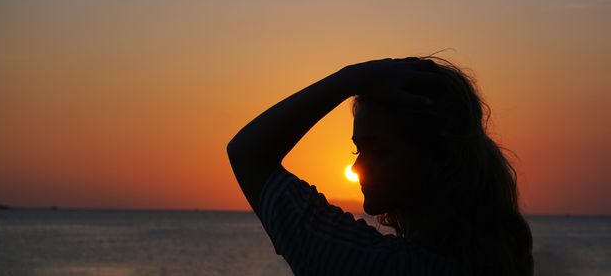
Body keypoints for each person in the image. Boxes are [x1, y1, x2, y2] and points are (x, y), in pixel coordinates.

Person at [227, 56, 534, 275]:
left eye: (379, 151)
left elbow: (248, 153)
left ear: (437, 159)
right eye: (357, 150)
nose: (359, 167)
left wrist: (350, 79)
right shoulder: (503, 262)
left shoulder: (373, 263)